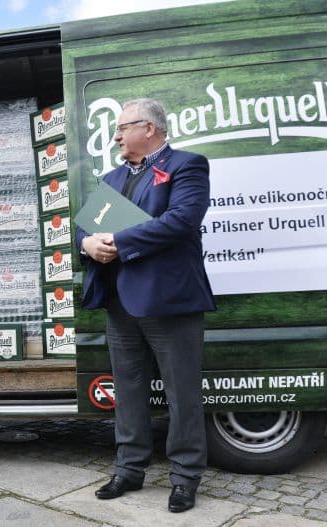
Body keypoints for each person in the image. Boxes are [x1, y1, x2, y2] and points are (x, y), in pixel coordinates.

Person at [75, 99, 215, 513]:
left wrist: (117, 243)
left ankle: (186, 477)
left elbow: (182, 220)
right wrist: (87, 243)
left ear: (149, 128)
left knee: (182, 393)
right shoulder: (114, 177)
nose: (115, 136)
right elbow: (85, 224)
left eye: (121, 128)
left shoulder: (187, 165)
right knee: (129, 390)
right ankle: (129, 469)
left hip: (169, 302)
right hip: (120, 303)